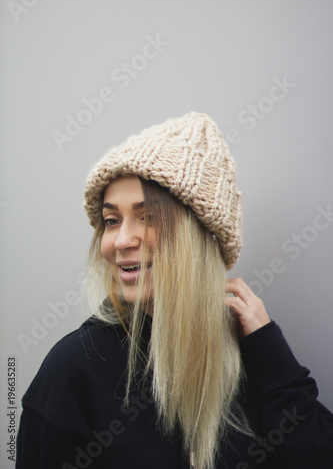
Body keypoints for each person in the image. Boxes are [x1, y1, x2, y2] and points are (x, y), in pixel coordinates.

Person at [16, 112, 333, 469]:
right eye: (111, 220)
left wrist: (272, 356)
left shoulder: (251, 356)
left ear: (198, 235)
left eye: (148, 216)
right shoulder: (71, 373)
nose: (121, 241)